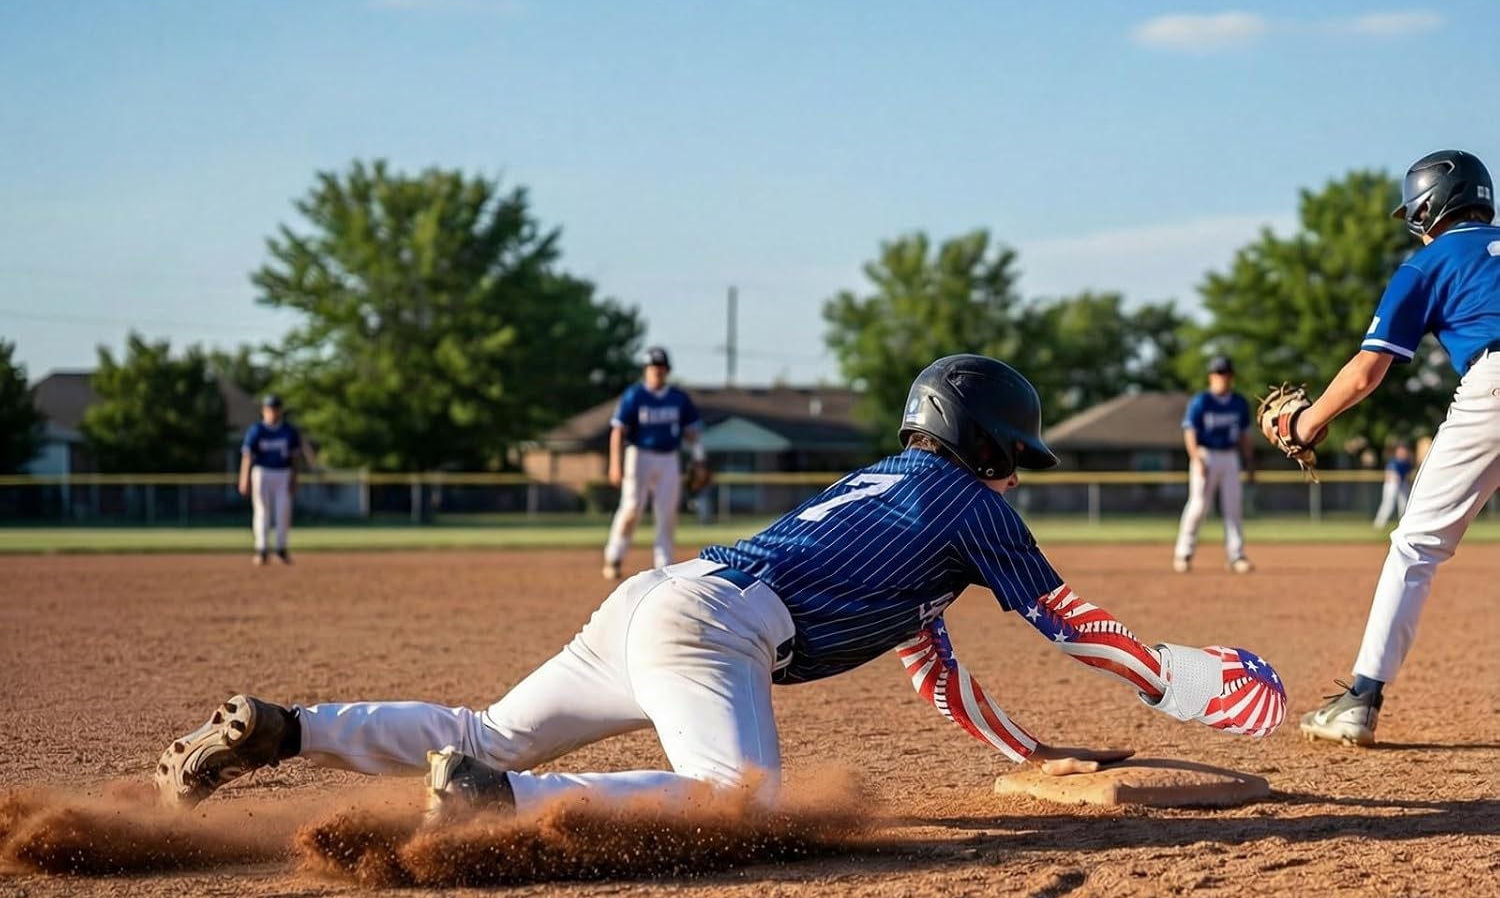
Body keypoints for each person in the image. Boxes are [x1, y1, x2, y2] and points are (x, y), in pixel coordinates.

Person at [156, 355, 1286, 818]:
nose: (1010, 473)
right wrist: (1188, 683)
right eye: (1010, 453)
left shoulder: (892, 489)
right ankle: (503, 808)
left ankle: (289, 730)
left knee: (485, 727)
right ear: (983, 444)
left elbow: (933, 666)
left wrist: (1023, 757)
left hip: (659, 596)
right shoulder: (975, 509)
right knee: (739, 798)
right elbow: (1073, 627)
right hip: (714, 626)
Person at [1263, 149, 1500, 746]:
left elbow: (1370, 370)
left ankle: (1360, 699)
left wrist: (1307, 423)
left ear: (1427, 208)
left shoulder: (1428, 264)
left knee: (1416, 545)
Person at [601, 347, 709, 581]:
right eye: (652, 368)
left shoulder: (678, 398)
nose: (657, 372)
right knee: (631, 508)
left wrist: (699, 459)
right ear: (645, 370)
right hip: (638, 455)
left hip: (669, 457)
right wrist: (615, 464)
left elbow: (692, 433)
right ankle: (614, 556)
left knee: (667, 512)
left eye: (660, 368)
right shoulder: (635, 395)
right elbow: (618, 431)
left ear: (667, 371)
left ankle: (664, 567)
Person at [1173, 355, 1256, 574]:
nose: (1223, 378)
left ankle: (1236, 556)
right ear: (1211, 377)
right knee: (1199, 505)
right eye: (1219, 374)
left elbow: (1244, 437)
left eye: (1226, 373)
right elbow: (1190, 432)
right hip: (1205, 455)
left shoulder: (1239, 403)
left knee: (1233, 507)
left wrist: (1249, 462)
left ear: (1232, 376)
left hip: (1230, 457)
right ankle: (1184, 553)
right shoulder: (1201, 401)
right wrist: (1195, 458)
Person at [239, 393, 303, 565]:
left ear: (280, 411)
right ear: (263, 411)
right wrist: (244, 478)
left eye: (275, 409)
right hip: (261, 473)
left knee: (283, 513)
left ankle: (281, 549)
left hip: (283, 473)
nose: (272, 413)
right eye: (269, 409)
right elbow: (247, 456)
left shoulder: (289, 431)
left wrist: (295, 478)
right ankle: (262, 549)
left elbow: (295, 458)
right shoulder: (257, 430)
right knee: (262, 511)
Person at [1372, 440, 1415, 528]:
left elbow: (1408, 476)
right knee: (1388, 504)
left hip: (1402, 484)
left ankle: (1403, 525)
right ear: (1397, 452)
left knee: (1404, 505)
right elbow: (1389, 475)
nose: (1403, 452)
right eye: (1401, 450)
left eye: (1404, 450)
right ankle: (1379, 524)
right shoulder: (1393, 462)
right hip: (1392, 484)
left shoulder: (1407, 462)